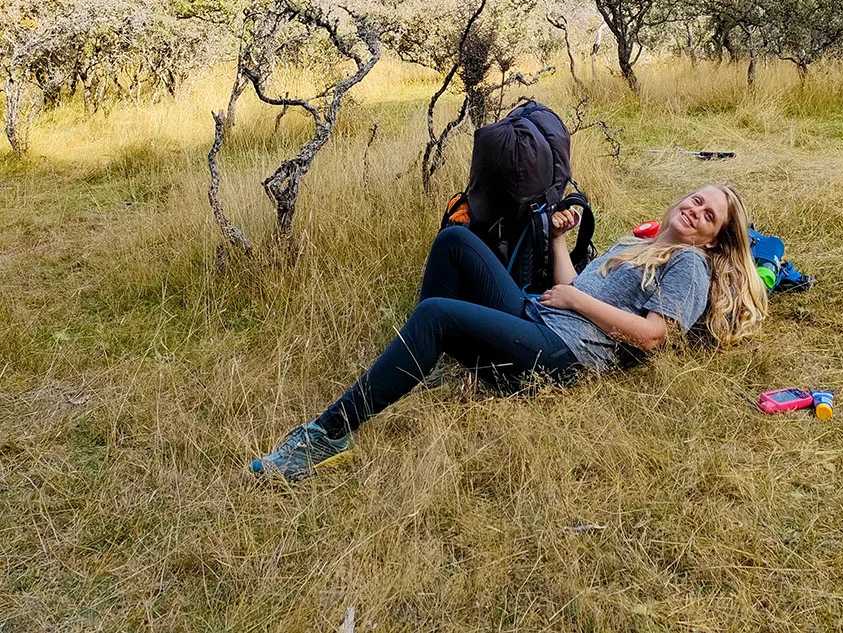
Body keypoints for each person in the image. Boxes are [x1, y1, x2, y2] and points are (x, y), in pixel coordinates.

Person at [249, 183, 767, 482]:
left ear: (716, 235)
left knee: (438, 315)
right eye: (696, 200)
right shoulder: (642, 242)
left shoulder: (690, 267)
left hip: (563, 352)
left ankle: (324, 437)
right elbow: (574, 285)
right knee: (456, 239)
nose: (695, 211)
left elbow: (655, 336)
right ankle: (419, 359)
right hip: (540, 317)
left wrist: (576, 300)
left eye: (709, 215)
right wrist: (561, 243)